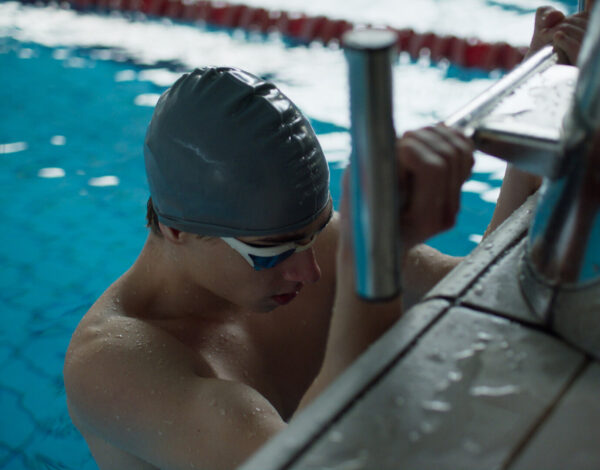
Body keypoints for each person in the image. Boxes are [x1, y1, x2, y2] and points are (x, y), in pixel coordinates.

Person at [63, 66, 474, 470]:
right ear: (175, 230)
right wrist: (370, 268)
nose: (309, 270)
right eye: (271, 251)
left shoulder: (296, 241)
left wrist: (526, 156)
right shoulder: (110, 366)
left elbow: (477, 289)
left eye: (315, 233)